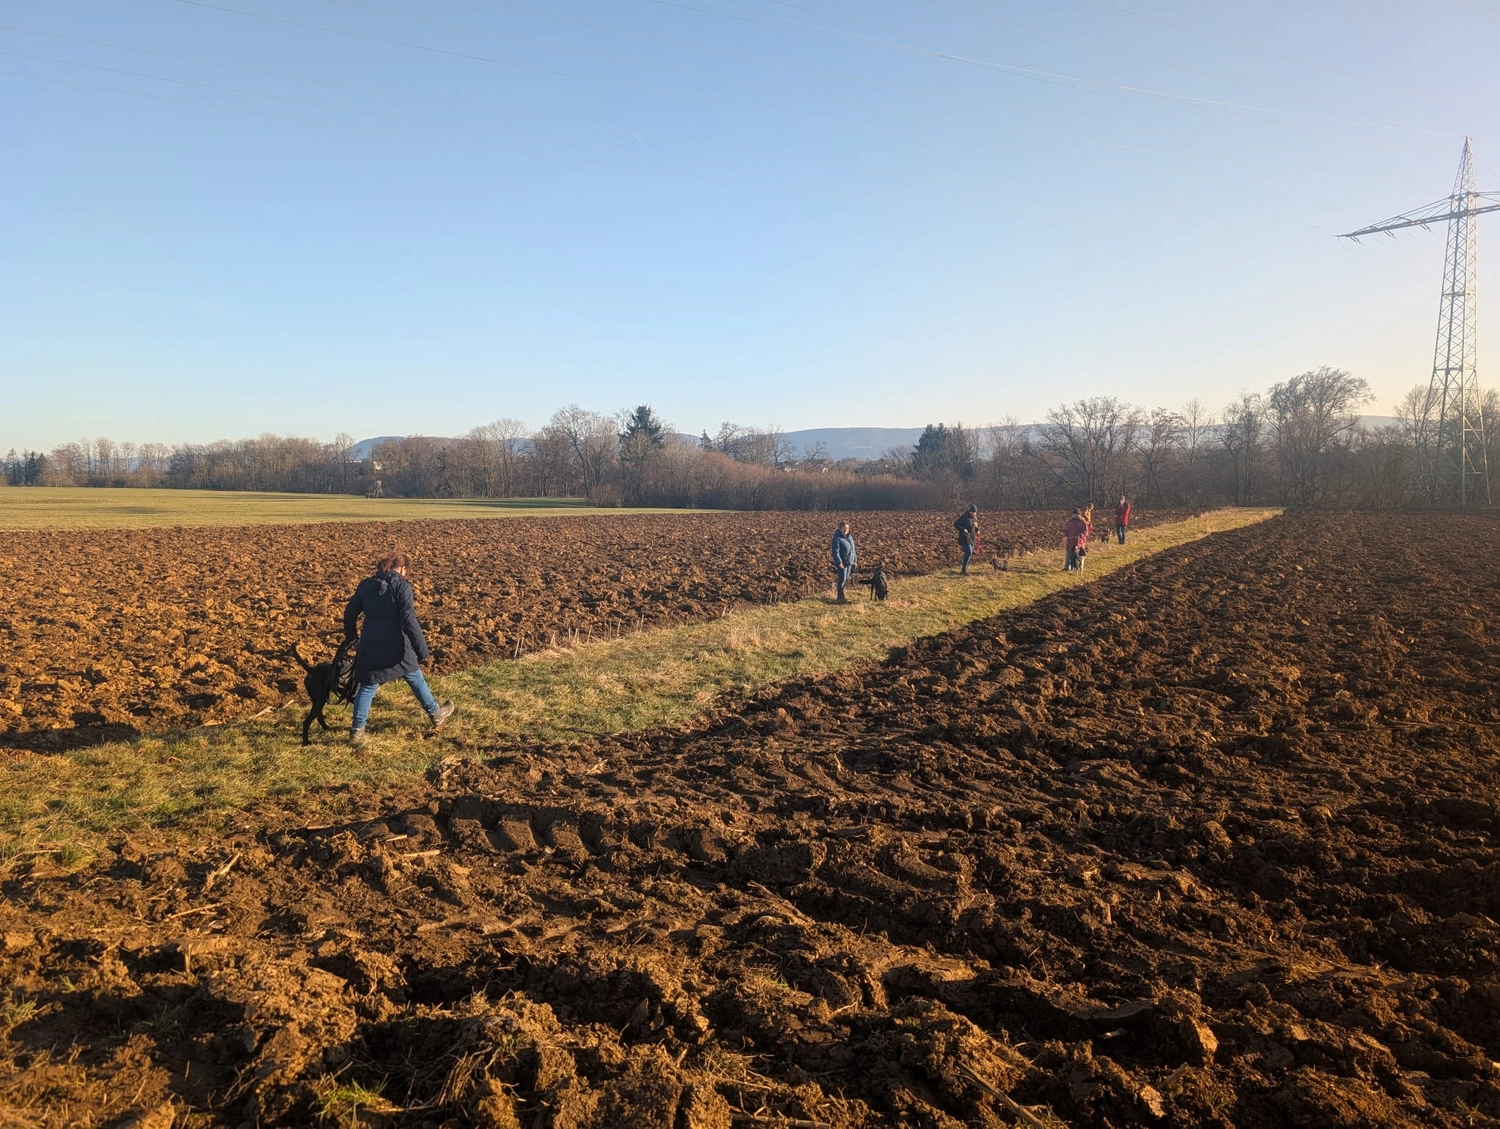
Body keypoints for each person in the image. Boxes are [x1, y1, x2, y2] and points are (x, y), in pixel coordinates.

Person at [343, 553, 454, 747]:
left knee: (368, 686)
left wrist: (352, 638)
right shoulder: (402, 587)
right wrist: (421, 649)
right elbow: (409, 620)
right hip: (398, 644)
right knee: (415, 677)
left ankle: (357, 732)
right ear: (403, 569)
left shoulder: (366, 585)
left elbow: (350, 613)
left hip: (370, 644)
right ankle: (436, 714)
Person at [830, 520, 857, 603]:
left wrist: (854, 560)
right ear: (840, 528)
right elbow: (835, 551)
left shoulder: (849, 537)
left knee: (845, 579)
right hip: (842, 563)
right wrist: (839, 562)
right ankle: (840, 598)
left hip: (849, 561)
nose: (846, 530)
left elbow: (853, 550)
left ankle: (842, 596)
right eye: (844, 528)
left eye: (847, 528)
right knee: (842, 579)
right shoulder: (837, 538)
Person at [953, 504, 979, 575]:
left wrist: (977, 530)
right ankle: (964, 570)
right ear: (970, 511)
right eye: (973, 512)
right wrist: (963, 529)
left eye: (975, 512)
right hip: (964, 538)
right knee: (969, 552)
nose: (974, 513)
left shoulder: (974, 518)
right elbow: (956, 524)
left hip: (972, 538)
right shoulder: (964, 517)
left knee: (969, 554)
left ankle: (965, 569)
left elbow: (973, 527)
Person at [1064, 508, 1090, 572]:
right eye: (1074, 514)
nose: (1075, 516)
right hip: (1070, 541)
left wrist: (1080, 535)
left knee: (1077, 556)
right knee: (1069, 553)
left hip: (1079, 541)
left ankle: (1076, 567)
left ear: (1079, 515)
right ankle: (1067, 567)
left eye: (1076, 514)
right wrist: (1065, 536)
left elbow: (1085, 532)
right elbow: (1067, 530)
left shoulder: (1082, 522)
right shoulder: (1070, 522)